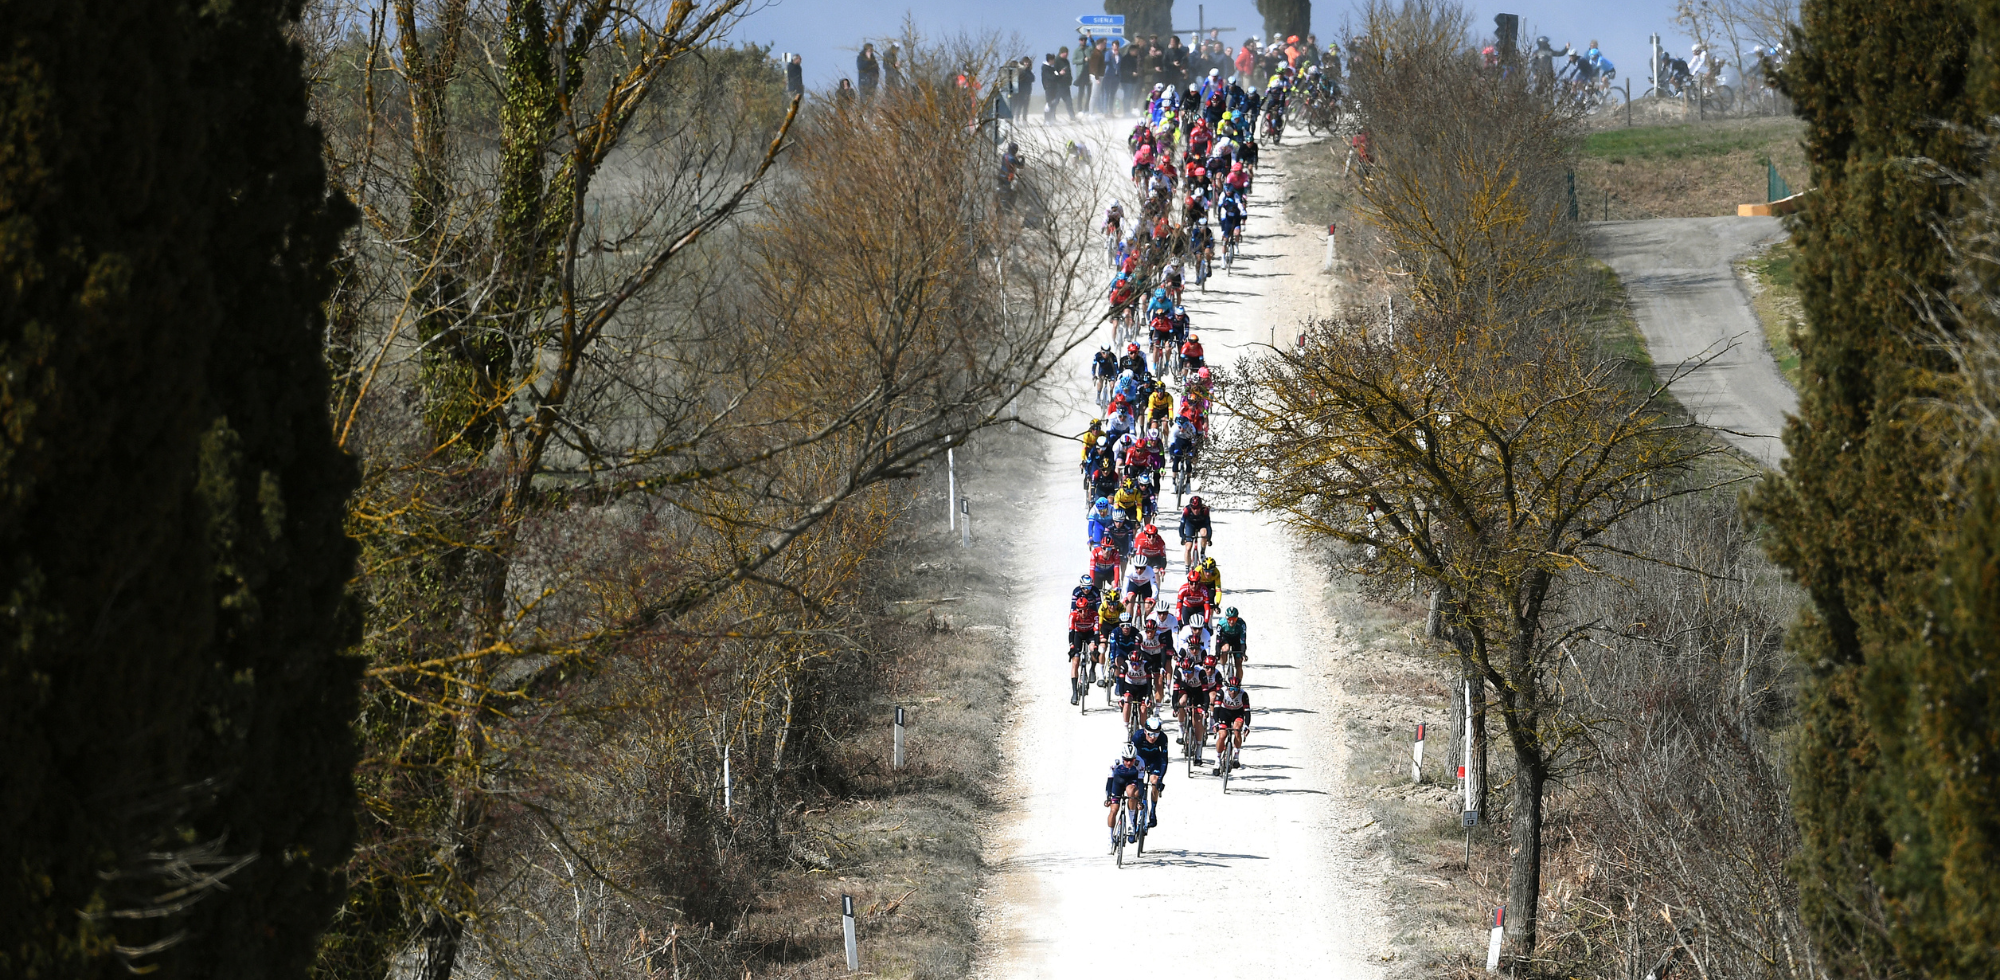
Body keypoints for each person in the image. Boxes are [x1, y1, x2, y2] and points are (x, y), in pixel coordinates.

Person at [1130, 716, 1170, 825]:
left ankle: (1153, 811)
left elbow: (1164, 760)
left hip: (1154, 760)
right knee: (1136, 786)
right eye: (1150, 734)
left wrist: (1160, 779)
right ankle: (1133, 815)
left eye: (1156, 734)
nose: (1153, 737)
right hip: (1140, 759)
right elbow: (1130, 756)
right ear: (1145, 731)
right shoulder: (1138, 736)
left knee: (1154, 781)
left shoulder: (1163, 738)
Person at [1105, 744, 1144, 845]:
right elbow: (1109, 780)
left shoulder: (1140, 762)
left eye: (1131, 760)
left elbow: (1140, 783)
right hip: (1117, 782)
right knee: (1113, 810)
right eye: (1126, 759)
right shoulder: (1115, 761)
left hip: (1131, 781)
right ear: (1122, 757)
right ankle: (1110, 838)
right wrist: (1108, 797)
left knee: (1132, 792)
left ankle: (1131, 822)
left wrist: (1140, 799)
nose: (1129, 762)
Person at [1211, 677, 1252, 770]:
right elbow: (1216, 709)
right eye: (1231, 689)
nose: (1233, 692)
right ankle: (1217, 760)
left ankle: (1236, 757)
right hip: (1224, 713)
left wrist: (1246, 726)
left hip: (1238, 713)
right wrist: (1216, 723)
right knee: (1222, 735)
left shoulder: (1243, 695)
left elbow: (1247, 712)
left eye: (1236, 689)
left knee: (1237, 730)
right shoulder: (1221, 692)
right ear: (1227, 688)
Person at [1179, 494, 1211, 565]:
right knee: (1188, 547)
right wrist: (1182, 537)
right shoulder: (1186, 510)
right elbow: (1181, 526)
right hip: (1190, 525)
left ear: (1201, 507)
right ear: (1191, 507)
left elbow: (1208, 525)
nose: (1196, 510)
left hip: (1201, 524)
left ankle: (1202, 553)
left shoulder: (1205, 510)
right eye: (1193, 508)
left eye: (1198, 508)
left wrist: (1208, 538)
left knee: (1204, 533)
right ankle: (1187, 567)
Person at [1216, 606, 1248, 678]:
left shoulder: (1241, 624)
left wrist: (1243, 653)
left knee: (1239, 665)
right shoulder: (1221, 624)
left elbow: (1243, 641)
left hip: (1237, 640)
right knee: (1225, 649)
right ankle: (1223, 665)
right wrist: (1217, 654)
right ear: (1226, 618)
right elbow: (1218, 641)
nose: (1232, 621)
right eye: (1230, 619)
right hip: (1225, 638)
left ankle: (1238, 684)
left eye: (1234, 619)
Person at [1084, 38, 1105, 113]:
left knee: (1096, 95)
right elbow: (1094, 66)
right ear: (1100, 44)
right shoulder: (1096, 54)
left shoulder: (1099, 53)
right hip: (1096, 76)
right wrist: (1097, 78)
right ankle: (1091, 113)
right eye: (1103, 44)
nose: (1104, 46)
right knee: (1094, 95)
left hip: (1099, 76)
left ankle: (1092, 112)